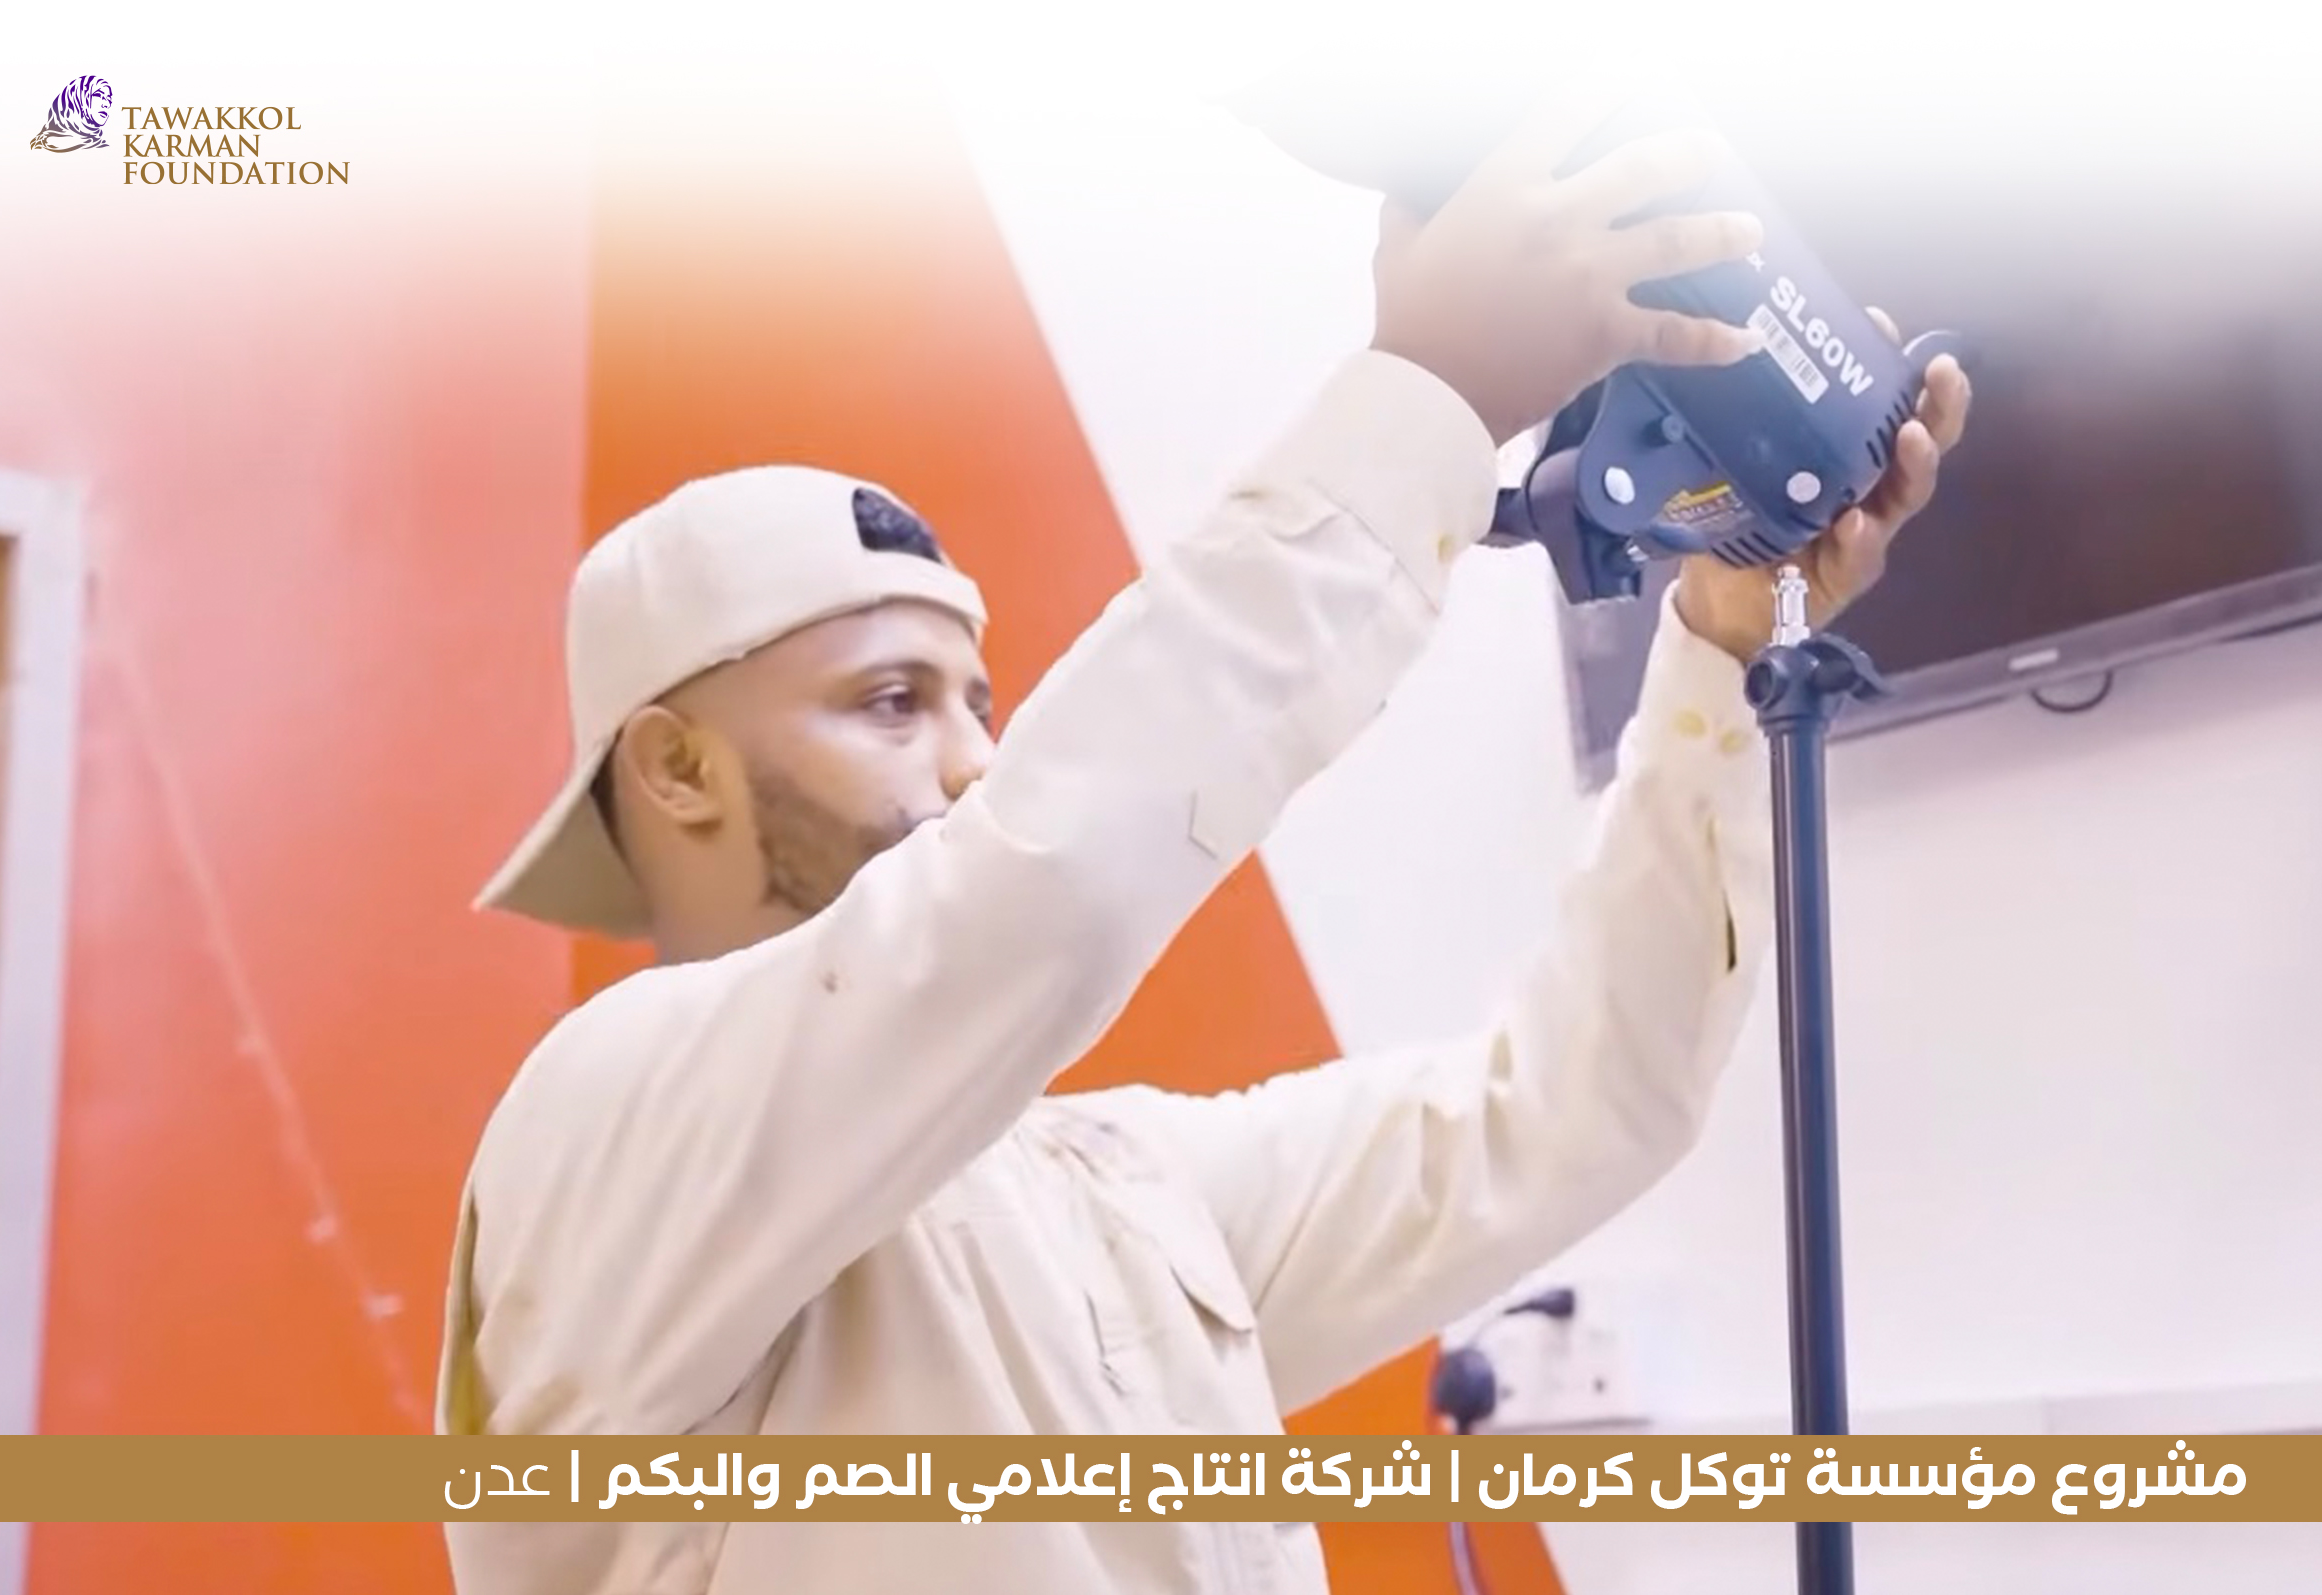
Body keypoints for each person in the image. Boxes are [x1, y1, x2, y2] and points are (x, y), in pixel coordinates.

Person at [435, 88, 1972, 1595]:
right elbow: (1038, 890)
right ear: (676, 768)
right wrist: (1433, 397)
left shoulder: (1115, 1193)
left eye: (981, 706)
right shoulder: (596, 1141)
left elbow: (1571, 1110)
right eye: (890, 703)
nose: (974, 763)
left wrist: (1717, 644)